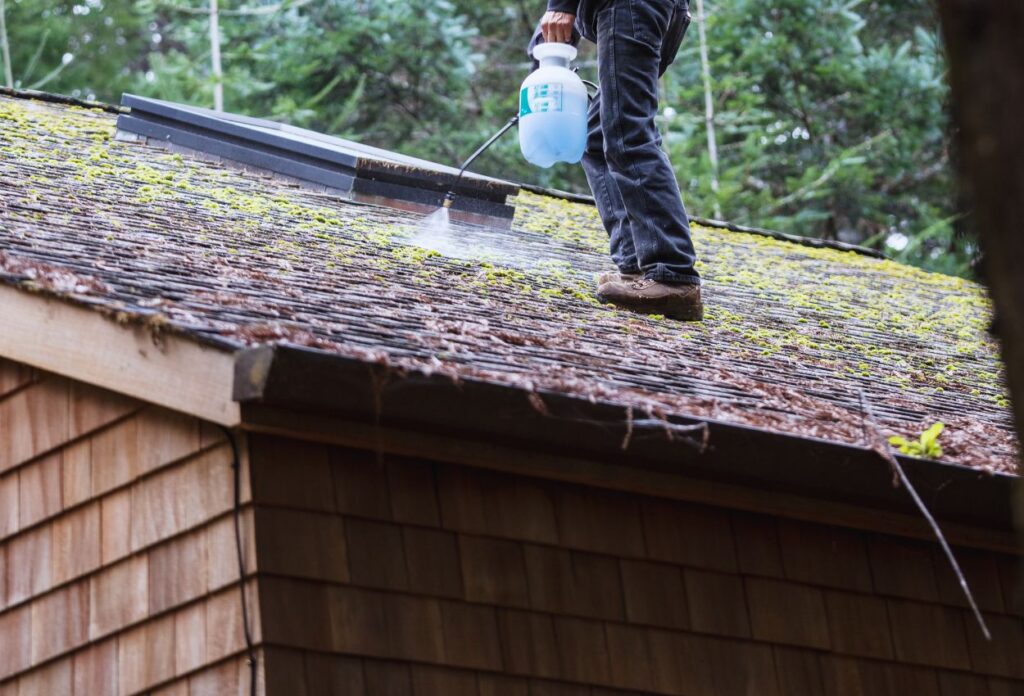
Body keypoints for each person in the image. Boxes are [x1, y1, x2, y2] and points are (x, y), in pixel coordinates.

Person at [531, 0, 703, 321]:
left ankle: (673, 274)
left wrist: (562, 5)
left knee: (628, 131)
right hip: (643, 10)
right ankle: (637, 265)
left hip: (631, 7)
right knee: (597, 136)